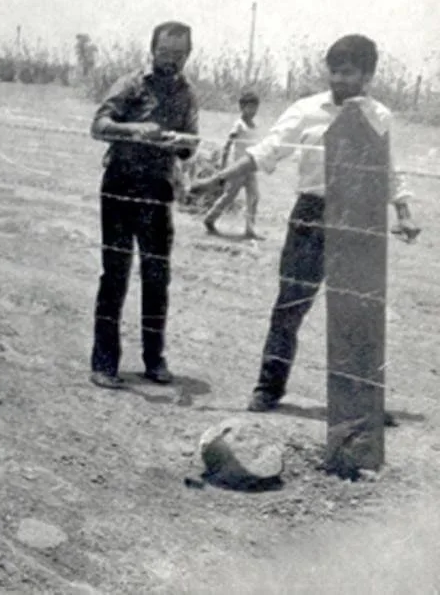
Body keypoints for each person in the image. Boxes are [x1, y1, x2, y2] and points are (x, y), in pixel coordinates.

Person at [189, 34, 420, 412]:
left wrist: (404, 213)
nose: (339, 80)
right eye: (335, 71)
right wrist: (217, 179)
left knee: (358, 312)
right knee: (290, 306)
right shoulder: (306, 110)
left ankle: (360, 402)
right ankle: (268, 388)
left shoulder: (379, 115)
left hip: (359, 219)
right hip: (311, 216)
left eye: (348, 73)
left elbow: (388, 168)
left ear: (368, 74)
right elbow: (266, 151)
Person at [89, 21, 200, 389]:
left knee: (157, 277)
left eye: (179, 54)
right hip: (121, 184)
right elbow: (98, 125)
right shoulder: (131, 84)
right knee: (115, 274)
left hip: (157, 189)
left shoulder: (187, 93)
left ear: (188, 53)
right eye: (165, 52)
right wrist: (134, 130)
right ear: (152, 50)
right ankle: (105, 363)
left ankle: (154, 360)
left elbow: (190, 144)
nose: (171, 60)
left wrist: (180, 143)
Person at [204, 90, 264, 239]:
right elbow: (228, 144)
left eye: (255, 107)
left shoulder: (255, 125)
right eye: (249, 107)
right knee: (229, 196)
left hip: (250, 166)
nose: (253, 111)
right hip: (237, 168)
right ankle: (209, 219)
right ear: (242, 108)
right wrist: (224, 166)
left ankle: (250, 229)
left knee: (254, 196)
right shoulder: (239, 125)